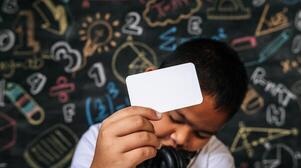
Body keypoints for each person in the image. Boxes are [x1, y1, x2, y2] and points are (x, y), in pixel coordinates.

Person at [71, 38, 248, 168]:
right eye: (176, 118)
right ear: (152, 87)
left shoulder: (217, 160)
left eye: (202, 134)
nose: (180, 138)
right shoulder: (98, 141)